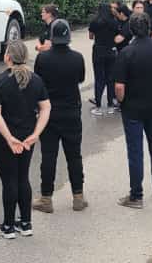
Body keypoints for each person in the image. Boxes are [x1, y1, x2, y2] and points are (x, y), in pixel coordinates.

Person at [0, 41, 51, 240]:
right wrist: (36, 133)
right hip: (27, 137)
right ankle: (25, 222)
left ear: (8, 57)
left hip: (2, 139)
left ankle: (7, 225)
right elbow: (46, 107)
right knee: (23, 177)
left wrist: (8, 138)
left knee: (9, 180)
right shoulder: (36, 80)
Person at [32, 18, 88, 214]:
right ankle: (78, 196)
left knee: (49, 155)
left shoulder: (43, 59)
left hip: (49, 111)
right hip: (72, 110)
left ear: (52, 37)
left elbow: (37, 83)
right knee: (74, 155)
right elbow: (80, 78)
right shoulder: (78, 58)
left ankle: (46, 198)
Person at [113, 12, 152, 209]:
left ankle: (136, 195)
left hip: (134, 107)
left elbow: (119, 87)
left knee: (135, 151)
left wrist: (122, 101)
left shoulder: (126, 52)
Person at [87, 2, 119, 116]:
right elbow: (117, 35)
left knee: (99, 78)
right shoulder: (114, 22)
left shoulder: (95, 22)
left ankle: (98, 106)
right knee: (111, 78)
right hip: (111, 50)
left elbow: (91, 37)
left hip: (98, 51)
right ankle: (110, 105)